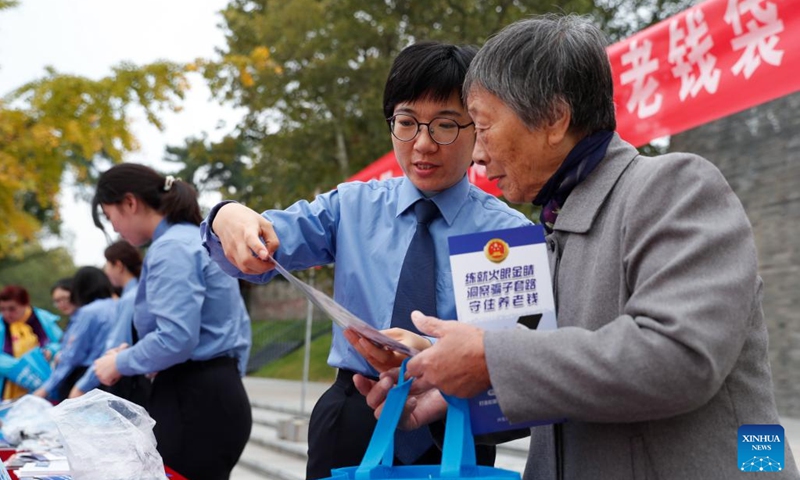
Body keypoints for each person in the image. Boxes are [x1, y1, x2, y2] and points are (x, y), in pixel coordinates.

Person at [354, 14, 800, 480]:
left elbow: (680, 357)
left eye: (483, 129)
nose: (479, 157)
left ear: (553, 119)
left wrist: (489, 360)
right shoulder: (551, 229)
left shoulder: (675, 188)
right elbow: (551, 374)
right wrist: (440, 376)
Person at [202, 41, 531, 478]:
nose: (423, 144)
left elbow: (519, 356)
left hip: (452, 426)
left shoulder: (506, 235)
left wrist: (434, 357)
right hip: (354, 415)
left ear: (478, 129)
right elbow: (263, 241)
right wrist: (227, 217)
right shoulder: (351, 207)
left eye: (446, 126)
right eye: (407, 123)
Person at [91, 163, 252, 480]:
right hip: (212, 393)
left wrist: (119, 362)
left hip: (194, 401)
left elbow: (176, 339)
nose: (116, 230)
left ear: (130, 203)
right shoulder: (194, 239)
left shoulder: (171, 247)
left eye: (111, 219)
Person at [75, 240, 151, 406]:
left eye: (107, 265)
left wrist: (82, 386)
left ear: (118, 265)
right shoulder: (140, 291)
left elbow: (117, 343)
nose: (105, 271)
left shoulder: (130, 298)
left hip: (131, 380)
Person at [34, 266, 116, 401]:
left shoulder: (88, 313)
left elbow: (73, 356)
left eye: (65, 298)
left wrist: (45, 389)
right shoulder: (118, 305)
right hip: (113, 374)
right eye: (57, 301)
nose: (61, 304)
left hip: (88, 378)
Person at [0, 285, 63, 399]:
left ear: (25, 304)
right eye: (2, 309)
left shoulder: (42, 319)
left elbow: (61, 342)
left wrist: (50, 351)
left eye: (12, 309)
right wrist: (19, 366)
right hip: (6, 389)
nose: (7, 314)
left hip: (44, 383)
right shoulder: (1, 325)